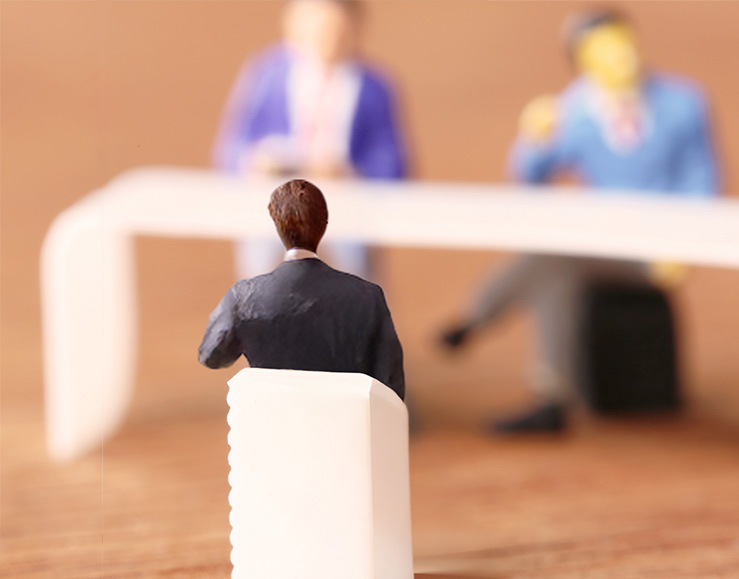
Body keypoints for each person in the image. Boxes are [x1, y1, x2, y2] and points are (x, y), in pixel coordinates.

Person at [442, 9, 721, 433]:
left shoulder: (682, 104)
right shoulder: (575, 110)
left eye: (623, 42)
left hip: (656, 250)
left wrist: (683, 243)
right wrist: (535, 141)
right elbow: (531, 180)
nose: (619, 55)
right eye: (602, 49)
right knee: (557, 268)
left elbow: (701, 180)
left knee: (556, 260)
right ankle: (548, 393)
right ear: (581, 60)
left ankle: (479, 320)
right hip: (603, 240)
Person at [212, 0, 407, 279]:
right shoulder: (267, 75)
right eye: (318, 29)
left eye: (337, 30)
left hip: (344, 209)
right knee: (261, 271)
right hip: (275, 207)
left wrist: (349, 172)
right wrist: (256, 162)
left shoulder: (375, 87)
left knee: (354, 276)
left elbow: (391, 161)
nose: (328, 39)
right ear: (293, 27)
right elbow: (233, 145)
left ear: (355, 30)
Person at [198, 179, 405, 401]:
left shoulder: (242, 296)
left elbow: (211, 356)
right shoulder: (368, 297)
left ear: (277, 225)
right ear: (324, 224)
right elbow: (390, 382)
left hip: (272, 414)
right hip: (342, 416)